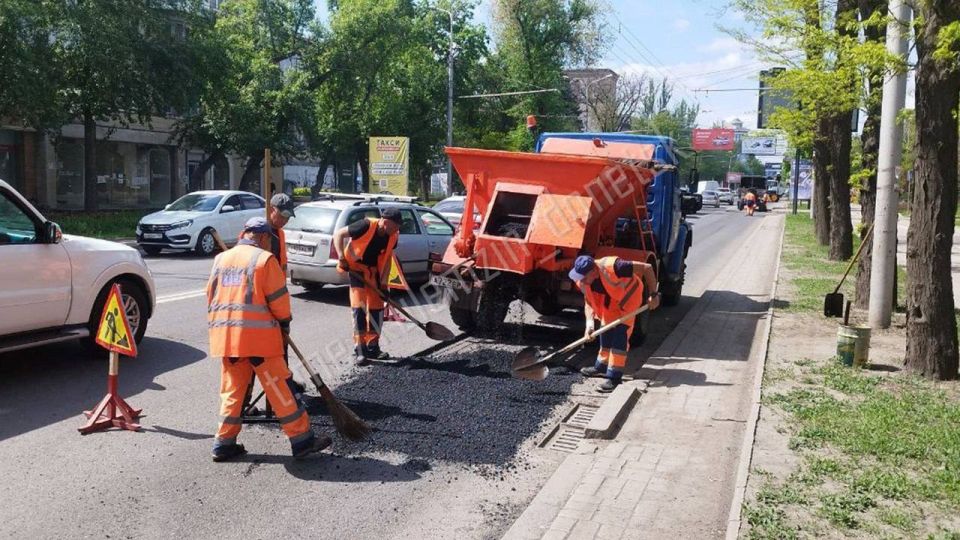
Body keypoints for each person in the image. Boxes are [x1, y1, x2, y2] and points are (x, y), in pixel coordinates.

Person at [207, 217, 331, 462]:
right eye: (268, 240)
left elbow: (210, 297)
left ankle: (223, 442)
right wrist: (284, 321)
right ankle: (301, 439)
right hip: (259, 340)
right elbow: (278, 300)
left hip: (227, 339)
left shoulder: (221, 260)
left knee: (233, 391)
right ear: (262, 237)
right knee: (280, 388)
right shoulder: (263, 260)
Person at [568, 255, 660, 393]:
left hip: (629, 298)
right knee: (605, 330)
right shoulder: (583, 281)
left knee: (620, 336)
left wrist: (654, 294)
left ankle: (614, 377)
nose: (580, 280)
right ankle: (601, 367)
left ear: (593, 271)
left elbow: (647, 268)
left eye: (583, 277)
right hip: (611, 300)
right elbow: (589, 302)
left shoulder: (616, 266)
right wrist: (589, 324)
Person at [332, 207, 402, 365]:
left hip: (374, 272)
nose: (397, 230)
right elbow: (338, 234)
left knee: (377, 310)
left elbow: (388, 259)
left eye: (398, 227)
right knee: (359, 308)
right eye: (395, 226)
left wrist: (384, 284)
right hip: (356, 269)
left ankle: (373, 346)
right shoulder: (365, 225)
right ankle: (360, 349)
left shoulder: (393, 236)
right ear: (385, 222)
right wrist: (341, 257)